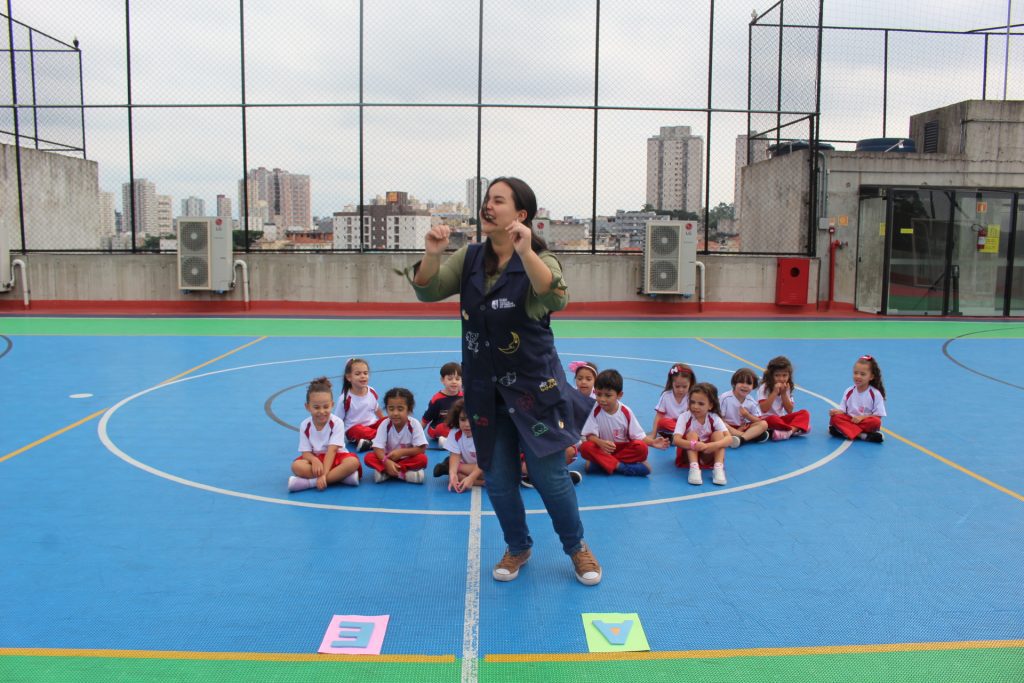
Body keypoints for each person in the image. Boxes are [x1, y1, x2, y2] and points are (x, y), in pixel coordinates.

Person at [408, 176, 601, 586]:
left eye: (499, 200)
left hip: (534, 389)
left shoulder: (541, 258)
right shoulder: (470, 257)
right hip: (484, 389)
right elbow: (427, 290)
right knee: (497, 478)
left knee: (550, 478)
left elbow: (555, 296)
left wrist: (525, 251)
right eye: (487, 200)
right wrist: (432, 254)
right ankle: (518, 546)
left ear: (521, 214)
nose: (489, 206)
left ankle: (576, 547)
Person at [579, 369, 668, 476]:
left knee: (641, 448)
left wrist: (653, 442)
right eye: (599, 394)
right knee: (585, 447)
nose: (602, 399)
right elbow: (589, 436)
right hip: (603, 448)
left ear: (619, 395)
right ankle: (621, 467)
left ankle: (602, 463)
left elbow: (639, 436)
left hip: (623, 449)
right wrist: (600, 442)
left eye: (608, 395)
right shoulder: (595, 410)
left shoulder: (626, 412)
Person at [288, 377, 361, 492]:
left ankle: (309, 483)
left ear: (332, 405)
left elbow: (332, 451)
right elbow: (306, 453)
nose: (322, 411)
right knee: (296, 466)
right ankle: (340, 478)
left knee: (353, 462)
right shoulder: (305, 425)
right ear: (307, 407)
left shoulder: (337, 423)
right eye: (316, 407)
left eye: (326, 407)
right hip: (317, 459)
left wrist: (323, 475)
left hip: (336, 456)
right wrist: (314, 460)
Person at [672, 382, 741, 486]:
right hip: (687, 456)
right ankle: (694, 468)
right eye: (692, 402)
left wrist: (714, 445)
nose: (695, 406)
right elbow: (676, 440)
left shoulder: (714, 418)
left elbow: (729, 439)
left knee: (719, 435)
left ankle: (718, 468)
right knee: (691, 434)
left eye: (701, 404)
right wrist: (693, 445)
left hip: (707, 454)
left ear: (710, 405)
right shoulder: (684, 417)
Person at [364, 387, 429, 483]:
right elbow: (377, 448)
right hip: (387, 458)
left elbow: (421, 449)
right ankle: (404, 474)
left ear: (409, 410)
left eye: (400, 409)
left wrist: (401, 452)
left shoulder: (414, 424)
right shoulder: (385, 424)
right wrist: (386, 461)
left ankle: (387, 473)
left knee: (422, 459)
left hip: (407, 459)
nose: (395, 413)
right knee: (368, 457)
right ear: (386, 409)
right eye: (391, 409)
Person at [829, 355, 887, 442]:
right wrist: (835, 412)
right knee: (835, 418)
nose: (858, 376)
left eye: (862, 374)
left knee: (876, 422)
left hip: (864, 422)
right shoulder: (849, 391)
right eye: (855, 373)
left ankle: (844, 431)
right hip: (850, 420)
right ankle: (862, 435)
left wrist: (862, 417)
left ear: (871, 377)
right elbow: (843, 410)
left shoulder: (875, 394)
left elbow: (878, 416)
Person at [432, 399, 484, 492]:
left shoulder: (484, 434)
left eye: (472, 419)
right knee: (457, 477)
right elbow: (455, 454)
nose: (467, 424)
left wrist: (471, 478)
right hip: (469, 466)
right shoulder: (456, 432)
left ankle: (449, 467)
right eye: (463, 420)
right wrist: (453, 474)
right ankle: (484, 482)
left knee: (493, 472)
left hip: (484, 466)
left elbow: (483, 462)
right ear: (457, 419)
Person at [757, 355, 811, 439]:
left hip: (781, 419)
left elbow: (789, 410)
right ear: (771, 376)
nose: (781, 379)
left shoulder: (787, 387)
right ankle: (796, 429)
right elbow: (764, 409)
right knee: (773, 418)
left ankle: (789, 431)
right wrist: (774, 392)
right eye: (777, 375)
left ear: (789, 376)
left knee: (805, 413)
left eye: (784, 375)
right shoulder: (764, 387)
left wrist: (783, 394)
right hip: (766, 420)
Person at [337, 357, 385, 452]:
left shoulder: (371, 391)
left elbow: (377, 409)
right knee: (358, 431)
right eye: (358, 374)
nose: (363, 376)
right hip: (354, 430)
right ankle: (385, 439)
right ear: (349, 377)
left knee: (390, 421)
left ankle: (369, 443)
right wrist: (336, 441)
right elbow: (338, 421)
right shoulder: (345, 399)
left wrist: (384, 422)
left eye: (365, 373)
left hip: (372, 425)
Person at [720, 368, 770, 446]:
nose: (745, 386)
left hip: (742, 427)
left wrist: (747, 415)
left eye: (749, 383)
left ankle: (741, 439)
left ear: (753, 386)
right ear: (734, 383)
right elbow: (719, 418)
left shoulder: (751, 401)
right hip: (727, 426)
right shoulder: (725, 398)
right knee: (721, 426)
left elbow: (758, 420)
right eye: (741, 382)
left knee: (764, 424)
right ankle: (751, 436)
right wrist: (734, 429)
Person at [421, 361, 464, 448]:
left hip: (456, 426)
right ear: (442, 380)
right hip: (440, 428)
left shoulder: (463, 397)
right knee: (442, 428)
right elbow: (426, 419)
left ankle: (450, 441)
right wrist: (416, 436)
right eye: (450, 379)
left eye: (457, 379)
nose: (454, 382)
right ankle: (448, 441)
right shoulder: (437, 399)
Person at [652, 363, 696, 439]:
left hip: (685, 426)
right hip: (670, 427)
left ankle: (678, 438)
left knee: (693, 426)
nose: (681, 390)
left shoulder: (692, 397)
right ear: (672, 383)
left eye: (684, 386)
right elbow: (659, 416)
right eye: (677, 386)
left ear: (690, 383)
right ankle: (680, 437)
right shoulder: (666, 396)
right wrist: (653, 435)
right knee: (662, 422)